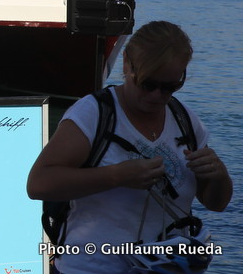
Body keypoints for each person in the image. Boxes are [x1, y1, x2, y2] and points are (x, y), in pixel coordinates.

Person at [27, 21, 233, 274]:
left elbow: (216, 203)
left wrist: (219, 174)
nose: (157, 95)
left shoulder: (185, 121)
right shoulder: (94, 114)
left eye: (171, 86)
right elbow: (38, 184)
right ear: (126, 63)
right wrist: (118, 175)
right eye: (148, 84)